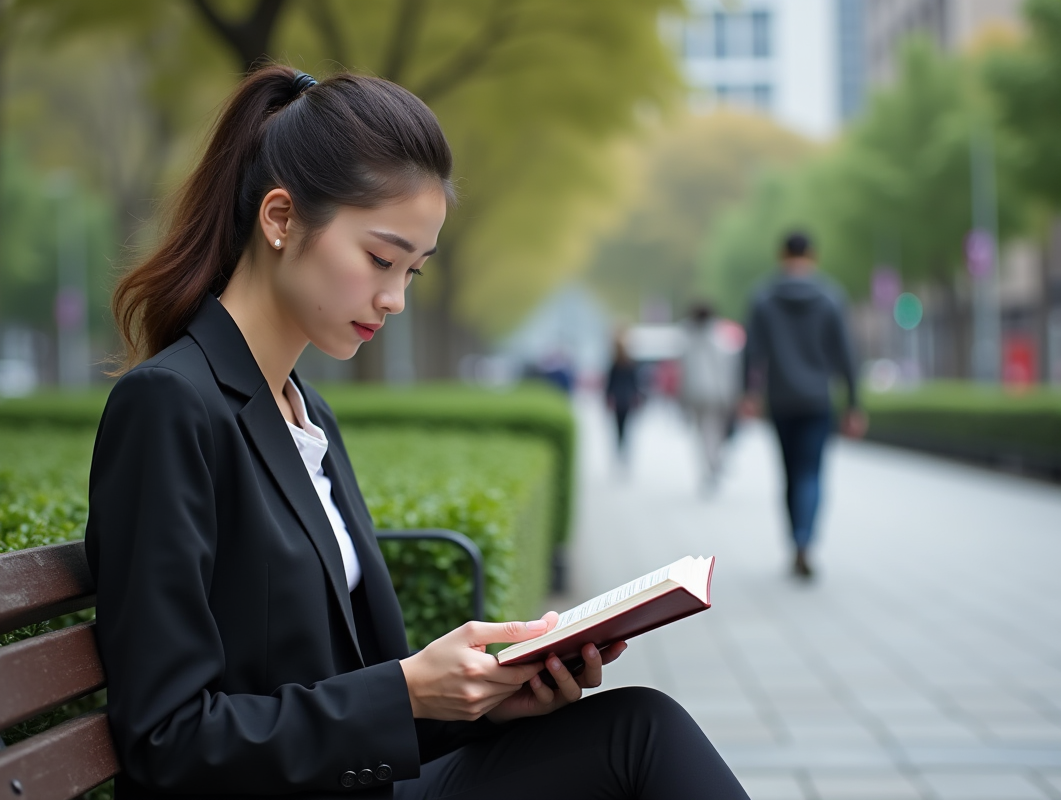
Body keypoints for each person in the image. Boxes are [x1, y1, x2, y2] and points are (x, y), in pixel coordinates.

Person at [85, 65, 749, 799]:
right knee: (644, 738)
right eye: (380, 259)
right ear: (279, 219)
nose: (395, 298)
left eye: (413, 271)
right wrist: (405, 692)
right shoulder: (170, 406)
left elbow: (359, 697)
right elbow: (167, 739)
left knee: (640, 728)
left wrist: (485, 703)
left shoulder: (305, 413)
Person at [740, 232, 867, 579]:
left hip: (780, 399)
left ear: (781, 256)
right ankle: (805, 541)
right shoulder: (830, 296)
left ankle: (795, 541)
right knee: (811, 472)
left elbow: (751, 352)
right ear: (813, 256)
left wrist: (748, 393)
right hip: (817, 400)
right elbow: (846, 352)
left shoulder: (764, 297)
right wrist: (854, 403)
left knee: (789, 474)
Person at [678, 303, 739, 491]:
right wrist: (730, 395)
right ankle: (713, 463)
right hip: (715, 393)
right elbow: (725, 368)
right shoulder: (718, 337)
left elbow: (683, 371)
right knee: (714, 432)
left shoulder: (686, 337)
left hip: (695, 393)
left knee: (703, 433)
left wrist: (683, 398)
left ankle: (710, 465)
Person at [604, 331, 641, 460]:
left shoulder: (620, 365)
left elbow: (632, 383)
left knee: (620, 426)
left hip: (622, 399)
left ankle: (621, 448)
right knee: (622, 426)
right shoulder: (621, 365)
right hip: (624, 399)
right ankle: (622, 449)